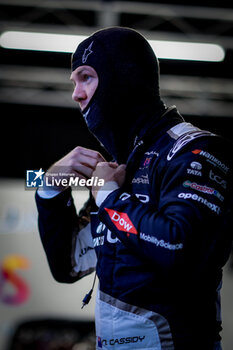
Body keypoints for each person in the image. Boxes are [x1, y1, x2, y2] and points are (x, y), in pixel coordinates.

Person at [35, 27, 233, 350]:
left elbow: (178, 249)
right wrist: (50, 188)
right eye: (74, 82)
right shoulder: (118, 170)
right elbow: (68, 263)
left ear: (120, 79)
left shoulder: (196, 151)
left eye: (86, 77)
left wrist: (110, 198)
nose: (76, 94)